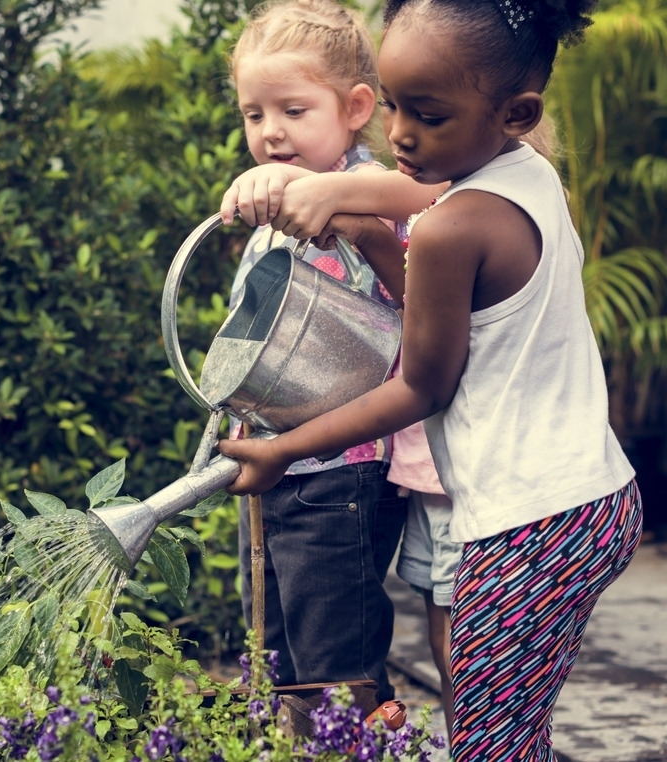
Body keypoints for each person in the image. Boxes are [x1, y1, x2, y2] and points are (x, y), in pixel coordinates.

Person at [218, 1, 644, 759]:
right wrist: (345, 202)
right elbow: (419, 207)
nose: (401, 134)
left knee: (489, 745)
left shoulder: (451, 229)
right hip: (594, 498)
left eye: (429, 114)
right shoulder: (529, 175)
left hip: (528, 526)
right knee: (514, 733)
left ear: (515, 112)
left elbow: (421, 386)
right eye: (392, 104)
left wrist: (286, 451)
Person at [222, 0, 409, 705]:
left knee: (338, 654)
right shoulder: (272, 221)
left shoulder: (374, 190)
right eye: (253, 114)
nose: (271, 134)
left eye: (293, 111)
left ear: (356, 106)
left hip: (341, 474)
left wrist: (312, 191)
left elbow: (409, 212)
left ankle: (360, 745)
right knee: (273, 647)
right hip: (276, 468)